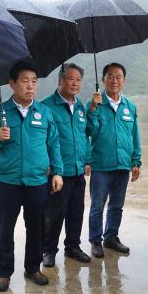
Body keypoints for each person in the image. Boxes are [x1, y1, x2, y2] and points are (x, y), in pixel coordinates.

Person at [0, 60, 63, 292]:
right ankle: (4, 273)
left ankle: (33, 268)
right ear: (12, 84)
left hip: (37, 181)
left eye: (34, 81)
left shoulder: (44, 112)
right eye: (25, 81)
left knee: (36, 227)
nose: (30, 86)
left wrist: (57, 172)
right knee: (5, 228)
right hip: (8, 182)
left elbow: (53, 144)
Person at [86, 63, 142, 258]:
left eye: (118, 77)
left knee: (117, 205)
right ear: (103, 80)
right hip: (101, 164)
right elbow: (89, 132)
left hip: (123, 165)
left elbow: (135, 136)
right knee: (97, 206)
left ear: (124, 81)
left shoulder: (130, 106)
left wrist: (136, 162)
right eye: (110, 76)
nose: (114, 80)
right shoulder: (95, 104)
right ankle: (95, 240)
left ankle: (111, 237)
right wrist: (93, 108)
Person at [41, 63, 93, 266]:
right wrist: (49, 166)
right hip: (58, 173)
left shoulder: (81, 107)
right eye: (71, 79)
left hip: (78, 170)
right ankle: (48, 250)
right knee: (54, 214)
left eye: (78, 79)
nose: (75, 83)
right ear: (60, 81)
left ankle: (72, 246)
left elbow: (84, 136)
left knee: (76, 212)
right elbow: (42, 139)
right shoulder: (46, 106)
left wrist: (87, 160)